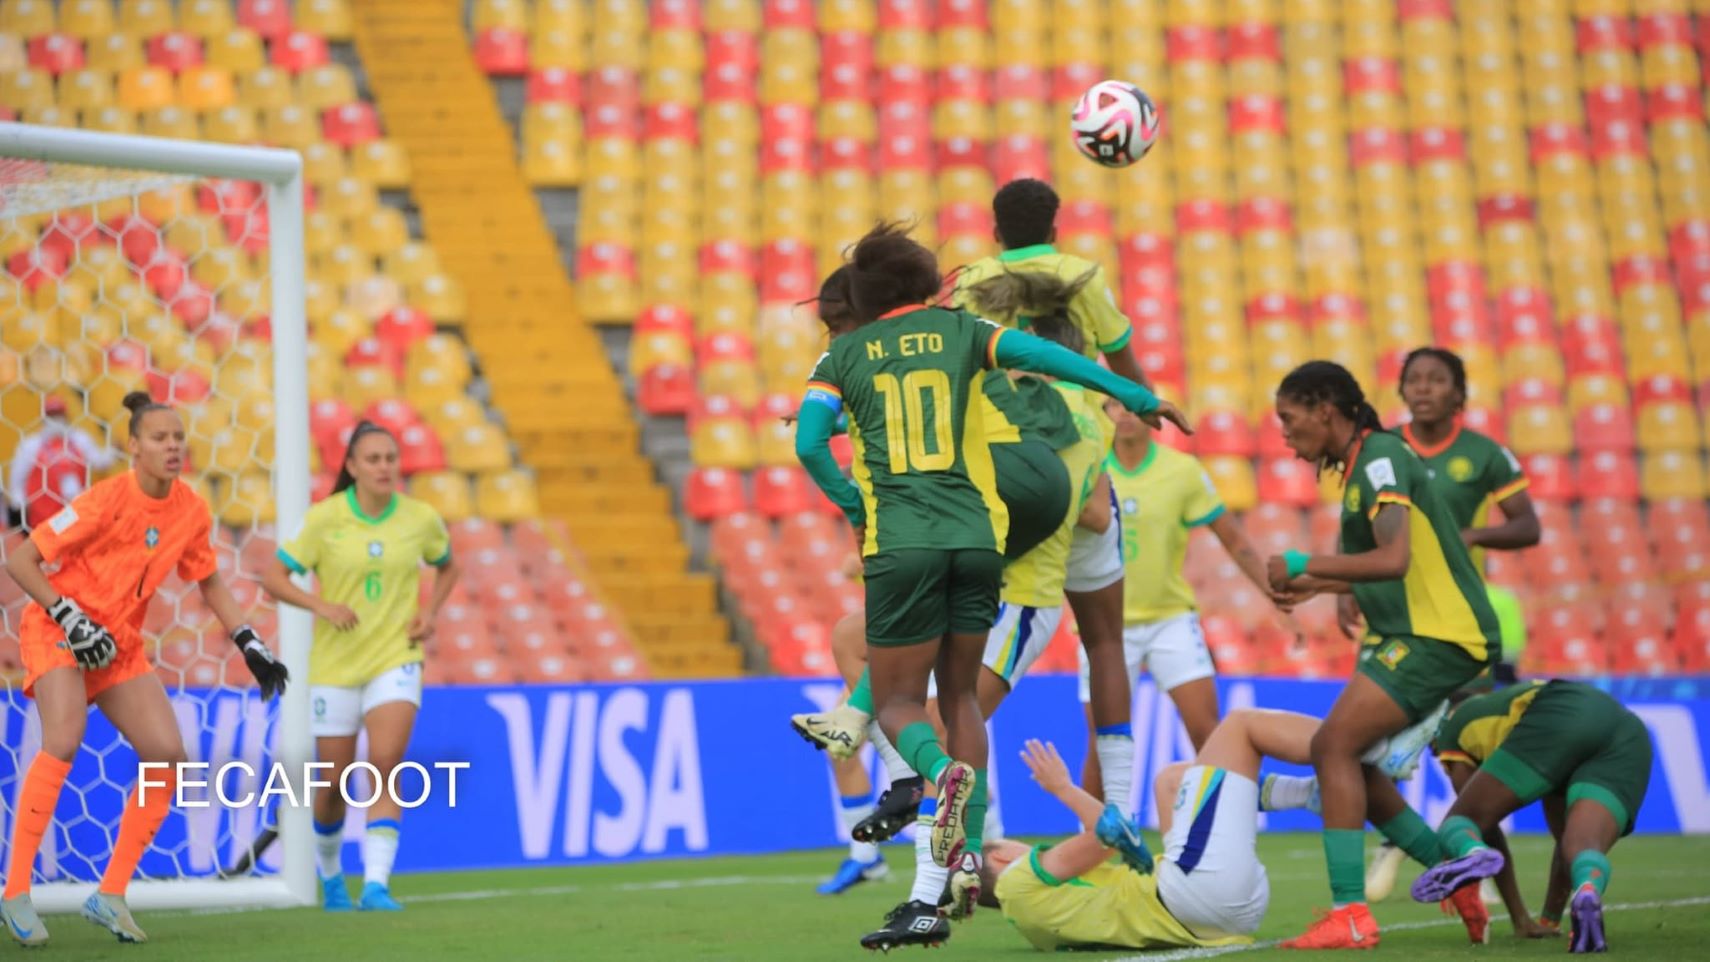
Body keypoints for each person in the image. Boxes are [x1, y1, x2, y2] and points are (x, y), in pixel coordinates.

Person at [794, 223, 1189, 942]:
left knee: (901, 704)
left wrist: (854, 501)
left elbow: (807, 442)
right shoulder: (964, 331)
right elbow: (1045, 356)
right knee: (961, 696)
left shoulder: (842, 354)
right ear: (924, 287)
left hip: (906, 542)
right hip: (981, 541)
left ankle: (930, 777)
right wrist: (1135, 392)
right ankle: (962, 859)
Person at [0, 392, 288, 947]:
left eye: (178, 437)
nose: (173, 446)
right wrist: (68, 614)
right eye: (160, 438)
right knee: (63, 739)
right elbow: (21, 559)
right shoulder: (103, 500)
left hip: (117, 646)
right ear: (133, 447)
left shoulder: (190, 510)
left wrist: (249, 640)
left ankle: (109, 895)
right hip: (62, 630)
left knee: (168, 759)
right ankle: (14, 893)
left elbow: (208, 580)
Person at [1263, 361, 1501, 949]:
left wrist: (1305, 564)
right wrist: (1318, 588)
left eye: (1289, 420)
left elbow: (1393, 558)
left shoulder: (1381, 458)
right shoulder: (1368, 463)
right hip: (1420, 633)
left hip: (1439, 636)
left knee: (1331, 747)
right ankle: (1453, 877)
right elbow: (1398, 569)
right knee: (1354, 766)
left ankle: (1349, 914)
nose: (1285, 435)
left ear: (1325, 409)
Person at [951, 178, 1152, 813]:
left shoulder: (973, 278)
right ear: (1056, 228)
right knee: (1106, 641)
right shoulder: (1081, 274)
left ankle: (930, 755)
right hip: (1079, 448)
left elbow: (957, 365)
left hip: (1005, 451)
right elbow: (1120, 357)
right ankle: (1116, 807)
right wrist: (1146, 405)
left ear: (994, 229)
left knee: (999, 626)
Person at [982, 702, 1469, 953]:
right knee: (1239, 727)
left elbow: (1109, 847)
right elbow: (1111, 834)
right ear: (1003, 856)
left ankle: (1308, 795)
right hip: (1195, 891)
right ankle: (1374, 749)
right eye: (1017, 845)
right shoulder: (1022, 883)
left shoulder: (1031, 926)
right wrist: (1062, 786)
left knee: (1174, 781)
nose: (1030, 847)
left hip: (1210, 913)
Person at [1360, 347, 1540, 901]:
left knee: (1462, 746)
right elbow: (1360, 523)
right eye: (1414, 379)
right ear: (1401, 390)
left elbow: (1528, 526)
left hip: (1458, 623)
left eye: (1437, 380)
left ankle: (1474, 853)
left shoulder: (1485, 455)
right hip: (1392, 618)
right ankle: (1391, 846)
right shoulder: (1381, 449)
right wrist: (1350, 586)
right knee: (1373, 744)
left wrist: (1474, 536)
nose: (1423, 388)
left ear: (1458, 393)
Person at [262, 421, 460, 912]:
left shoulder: (420, 518)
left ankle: (376, 885)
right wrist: (320, 605)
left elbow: (449, 563)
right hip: (335, 666)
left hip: (395, 658)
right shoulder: (325, 519)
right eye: (373, 459)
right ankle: (332, 876)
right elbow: (273, 576)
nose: (384, 467)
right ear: (351, 466)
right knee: (333, 784)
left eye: (391, 458)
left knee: (386, 765)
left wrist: (429, 613)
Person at [1078, 395, 1297, 794]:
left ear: (1153, 413)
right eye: (1113, 404)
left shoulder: (1181, 471)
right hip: (1102, 623)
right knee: (1101, 741)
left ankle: (1223, 831)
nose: (1124, 413)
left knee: (1207, 731)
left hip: (1169, 620)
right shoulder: (1087, 466)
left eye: (1132, 405)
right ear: (1103, 412)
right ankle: (1092, 844)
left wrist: (1274, 597)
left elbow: (1234, 540)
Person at [1411, 680, 1653, 953]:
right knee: (1579, 845)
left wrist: (1519, 918)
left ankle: (1472, 852)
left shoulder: (1450, 724)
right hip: (1628, 734)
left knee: (1459, 825)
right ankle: (1587, 888)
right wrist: (1547, 922)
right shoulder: (1507, 708)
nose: (1434, 754)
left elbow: (1485, 827)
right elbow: (1561, 843)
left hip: (1559, 711)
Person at [5, 394, 116, 531]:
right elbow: (17, 478)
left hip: (76, 509)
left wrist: (113, 451)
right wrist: (20, 504)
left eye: (58, 415)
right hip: (43, 511)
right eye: (51, 416)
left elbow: (99, 462)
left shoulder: (79, 439)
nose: (56, 420)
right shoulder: (31, 444)